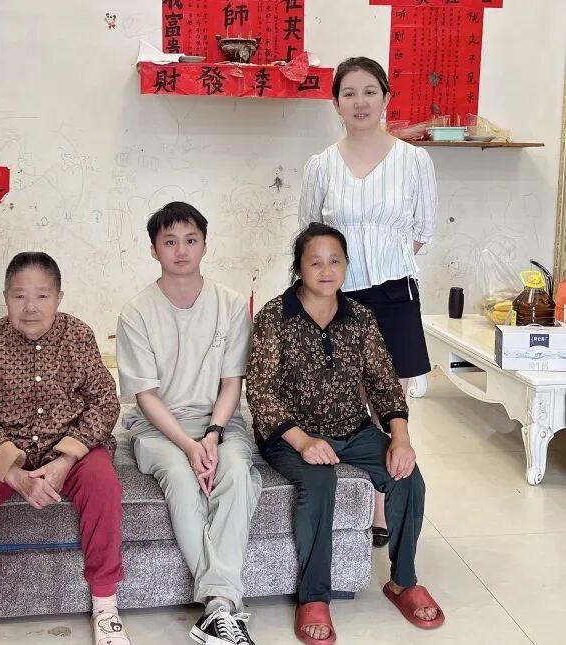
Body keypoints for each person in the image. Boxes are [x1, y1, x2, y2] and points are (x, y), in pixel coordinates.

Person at [247, 223, 444, 645]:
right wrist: (303, 441)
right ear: (298, 268)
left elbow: (384, 383)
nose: (326, 270)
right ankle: (314, 597)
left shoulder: (360, 317)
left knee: (407, 475)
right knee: (320, 483)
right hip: (291, 435)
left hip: (352, 429)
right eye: (315, 262)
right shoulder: (274, 317)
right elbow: (260, 391)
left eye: (335, 261)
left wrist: (400, 438)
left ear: (346, 265)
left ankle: (403, 582)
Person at [0, 252, 128, 645]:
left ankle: (106, 607)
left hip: (71, 448)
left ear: (58, 297)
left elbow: (104, 401)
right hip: (5, 449)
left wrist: (67, 458)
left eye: (42, 296)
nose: (30, 307)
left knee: (103, 485)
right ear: (5, 298)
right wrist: (14, 474)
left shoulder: (77, 335)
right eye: (19, 296)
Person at [298, 56, 438, 547]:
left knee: (389, 404)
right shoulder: (321, 165)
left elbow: (422, 231)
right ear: (336, 103)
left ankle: (380, 507)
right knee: (344, 401)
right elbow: (310, 235)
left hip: (394, 292)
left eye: (369, 91)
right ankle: (347, 499)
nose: (360, 102)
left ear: (385, 98)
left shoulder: (414, 161)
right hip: (337, 296)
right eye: (349, 93)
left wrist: (381, 264)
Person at [116, 202, 262, 645]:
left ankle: (217, 606)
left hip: (220, 421)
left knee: (237, 471)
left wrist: (213, 434)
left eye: (190, 240)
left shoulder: (231, 305)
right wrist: (188, 444)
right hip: (160, 426)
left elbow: (232, 383)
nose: (181, 250)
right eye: (170, 241)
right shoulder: (137, 312)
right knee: (181, 478)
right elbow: (145, 396)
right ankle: (223, 602)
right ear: (153, 249)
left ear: (204, 245)